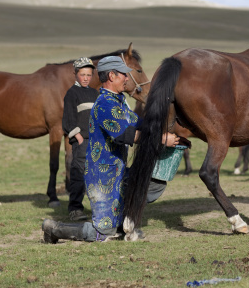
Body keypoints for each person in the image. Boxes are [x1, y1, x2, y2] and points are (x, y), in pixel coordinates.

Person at [43, 56, 179, 243]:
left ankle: (124, 223)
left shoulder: (119, 102)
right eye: (124, 74)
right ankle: (54, 229)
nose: (127, 78)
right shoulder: (105, 105)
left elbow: (139, 123)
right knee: (103, 233)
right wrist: (161, 139)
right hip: (103, 177)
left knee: (154, 183)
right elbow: (124, 134)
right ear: (112, 76)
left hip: (119, 172)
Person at [62, 57, 99, 221]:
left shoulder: (94, 93)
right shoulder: (72, 93)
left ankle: (98, 207)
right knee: (78, 175)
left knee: (95, 175)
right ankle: (75, 209)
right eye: (82, 74)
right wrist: (78, 137)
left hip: (95, 141)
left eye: (89, 75)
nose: (86, 78)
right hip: (81, 142)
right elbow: (68, 120)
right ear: (75, 74)